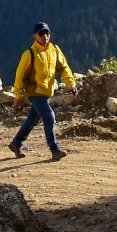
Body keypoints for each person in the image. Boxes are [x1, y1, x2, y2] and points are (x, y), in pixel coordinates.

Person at [9, 21, 76, 160]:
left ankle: (16, 143)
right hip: (35, 93)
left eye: (47, 33)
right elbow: (20, 76)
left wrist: (71, 84)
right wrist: (18, 96)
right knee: (49, 117)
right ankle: (55, 149)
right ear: (35, 36)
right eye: (41, 33)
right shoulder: (30, 54)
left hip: (47, 93)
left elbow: (63, 68)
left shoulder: (54, 50)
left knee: (33, 119)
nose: (45, 36)